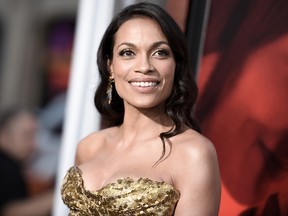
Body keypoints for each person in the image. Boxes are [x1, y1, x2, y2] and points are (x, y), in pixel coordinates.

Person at [61, 2, 221, 215]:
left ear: (176, 65)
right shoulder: (89, 147)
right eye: (128, 52)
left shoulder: (194, 154)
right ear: (110, 66)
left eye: (160, 52)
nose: (144, 66)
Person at [0, 108, 54, 216]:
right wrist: (65, 193)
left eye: (34, 136)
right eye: (27, 135)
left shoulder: (12, 165)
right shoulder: (4, 167)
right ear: (3, 134)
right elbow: (9, 212)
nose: (33, 144)